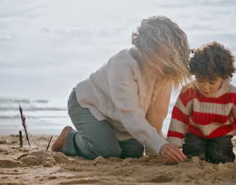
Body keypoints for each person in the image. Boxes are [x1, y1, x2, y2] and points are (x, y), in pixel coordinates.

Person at [52, 16, 189, 163]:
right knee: (107, 151)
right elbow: (130, 115)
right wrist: (161, 145)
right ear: (147, 48)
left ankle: (104, 137)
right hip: (87, 104)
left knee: (134, 152)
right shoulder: (123, 65)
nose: (165, 65)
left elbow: (156, 117)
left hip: (117, 118)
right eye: (161, 56)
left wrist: (155, 152)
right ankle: (69, 138)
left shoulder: (163, 73)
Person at [166, 42, 236, 164]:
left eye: (212, 82)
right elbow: (179, 119)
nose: (206, 87)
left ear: (224, 77)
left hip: (221, 136)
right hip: (195, 134)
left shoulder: (233, 95)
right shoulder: (189, 91)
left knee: (219, 156)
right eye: (200, 80)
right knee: (193, 151)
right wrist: (174, 145)